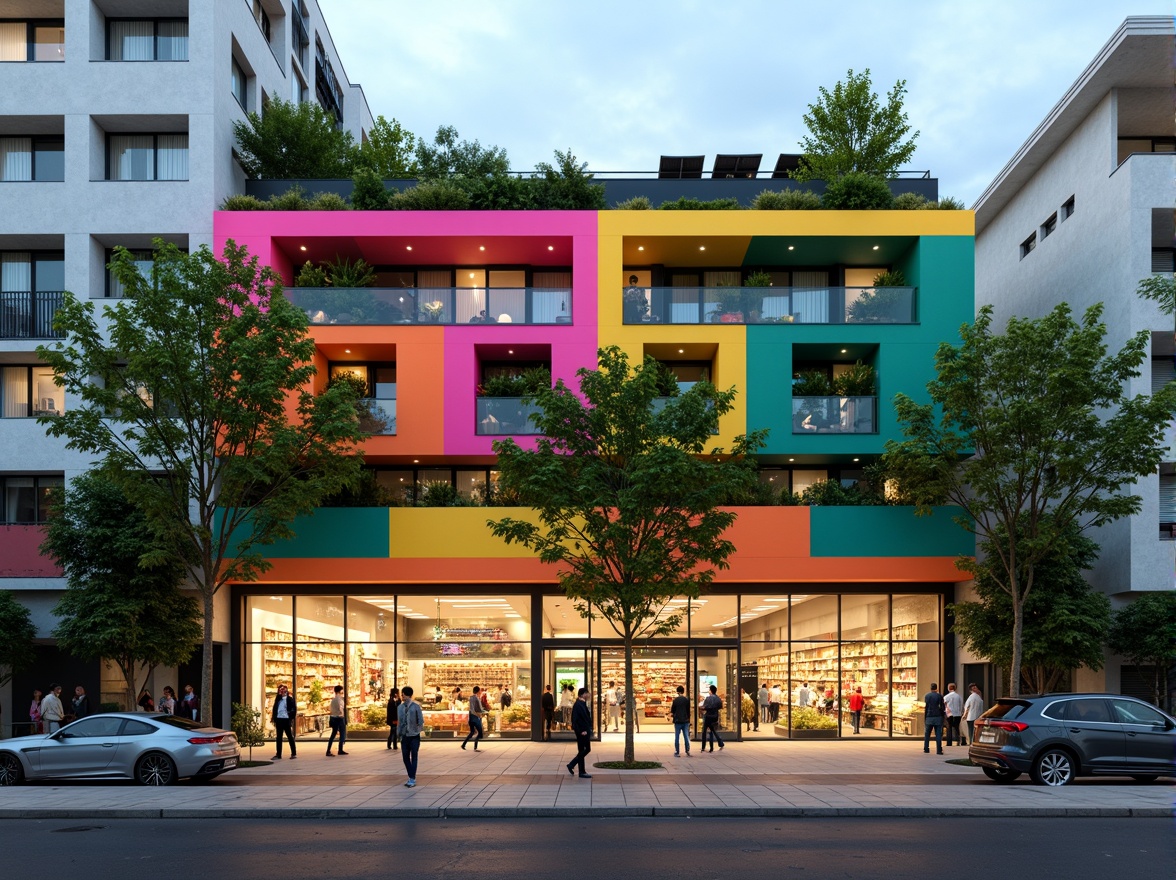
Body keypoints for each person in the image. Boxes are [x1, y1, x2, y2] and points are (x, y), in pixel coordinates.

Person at [397, 685, 424, 788]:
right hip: (404, 735)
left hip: (414, 736)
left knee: (414, 756)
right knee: (405, 757)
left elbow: (420, 720)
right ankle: (411, 776)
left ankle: (412, 778)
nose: (402, 696)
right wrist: (399, 734)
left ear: (406, 694)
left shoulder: (416, 706)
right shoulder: (400, 707)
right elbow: (399, 722)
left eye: (402, 694)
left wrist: (417, 730)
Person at [566, 687, 593, 778]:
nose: (588, 695)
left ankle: (581, 770)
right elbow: (575, 720)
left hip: (585, 730)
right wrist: (581, 731)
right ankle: (573, 765)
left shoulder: (582, 703)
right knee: (586, 749)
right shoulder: (578, 705)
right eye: (587, 693)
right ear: (583, 694)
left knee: (583, 750)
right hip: (582, 732)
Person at [271, 684, 297, 760]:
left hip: (286, 719)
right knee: (279, 737)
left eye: (283, 690)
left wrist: (290, 717)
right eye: (280, 691)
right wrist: (274, 718)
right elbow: (275, 708)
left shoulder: (289, 699)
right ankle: (278, 754)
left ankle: (293, 753)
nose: (281, 692)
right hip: (279, 719)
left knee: (289, 736)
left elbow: (293, 709)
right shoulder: (278, 699)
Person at [701, 685, 724, 752]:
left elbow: (705, 707)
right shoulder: (718, 699)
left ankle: (703, 746)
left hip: (708, 716)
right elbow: (720, 706)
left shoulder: (708, 698)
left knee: (704, 731)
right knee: (712, 730)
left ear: (710, 690)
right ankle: (717, 744)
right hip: (715, 716)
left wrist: (702, 708)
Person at [923, 683, 945, 755]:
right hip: (938, 716)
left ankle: (926, 748)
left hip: (929, 716)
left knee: (927, 734)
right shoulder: (940, 696)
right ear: (936, 688)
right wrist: (942, 716)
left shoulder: (927, 696)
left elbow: (926, 707)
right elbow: (942, 707)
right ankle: (939, 750)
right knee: (938, 734)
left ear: (930, 688)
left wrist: (925, 717)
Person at [461, 685, 485, 751]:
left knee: (472, 732)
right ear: (478, 691)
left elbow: (472, 708)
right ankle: (475, 747)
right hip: (476, 717)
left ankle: (463, 744)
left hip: (471, 717)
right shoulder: (477, 698)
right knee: (480, 733)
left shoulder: (471, 698)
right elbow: (479, 709)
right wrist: (480, 713)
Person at [326, 685, 348, 756]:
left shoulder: (333, 700)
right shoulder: (339, 699)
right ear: (340, 691)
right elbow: (340, 708)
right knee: (342, 733)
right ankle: (340, 749)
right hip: (339, 718)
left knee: (333, 734)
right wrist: (342, 714)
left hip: (333, 717)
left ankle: (328, 750)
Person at [670, 685, 691, 757]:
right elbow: (688, 711)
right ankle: (687, 750)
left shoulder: (675, 700)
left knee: (677, 736)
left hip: (677, 720)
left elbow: (672, 710)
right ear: (683, 691)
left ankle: (677, 751)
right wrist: (688, 719)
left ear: (677, 692)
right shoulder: (686, 700)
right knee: (686, 735)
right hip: (685, 720)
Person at [943, 682, 964, 747]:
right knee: (957, 727)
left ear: (949, 688)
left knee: (949, 728)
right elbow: (961, 705)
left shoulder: (946, 696)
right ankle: (958, 740)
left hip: (950, 714)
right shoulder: (959, 696)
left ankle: (949, 742)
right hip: (957, 714)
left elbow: (944, 704)